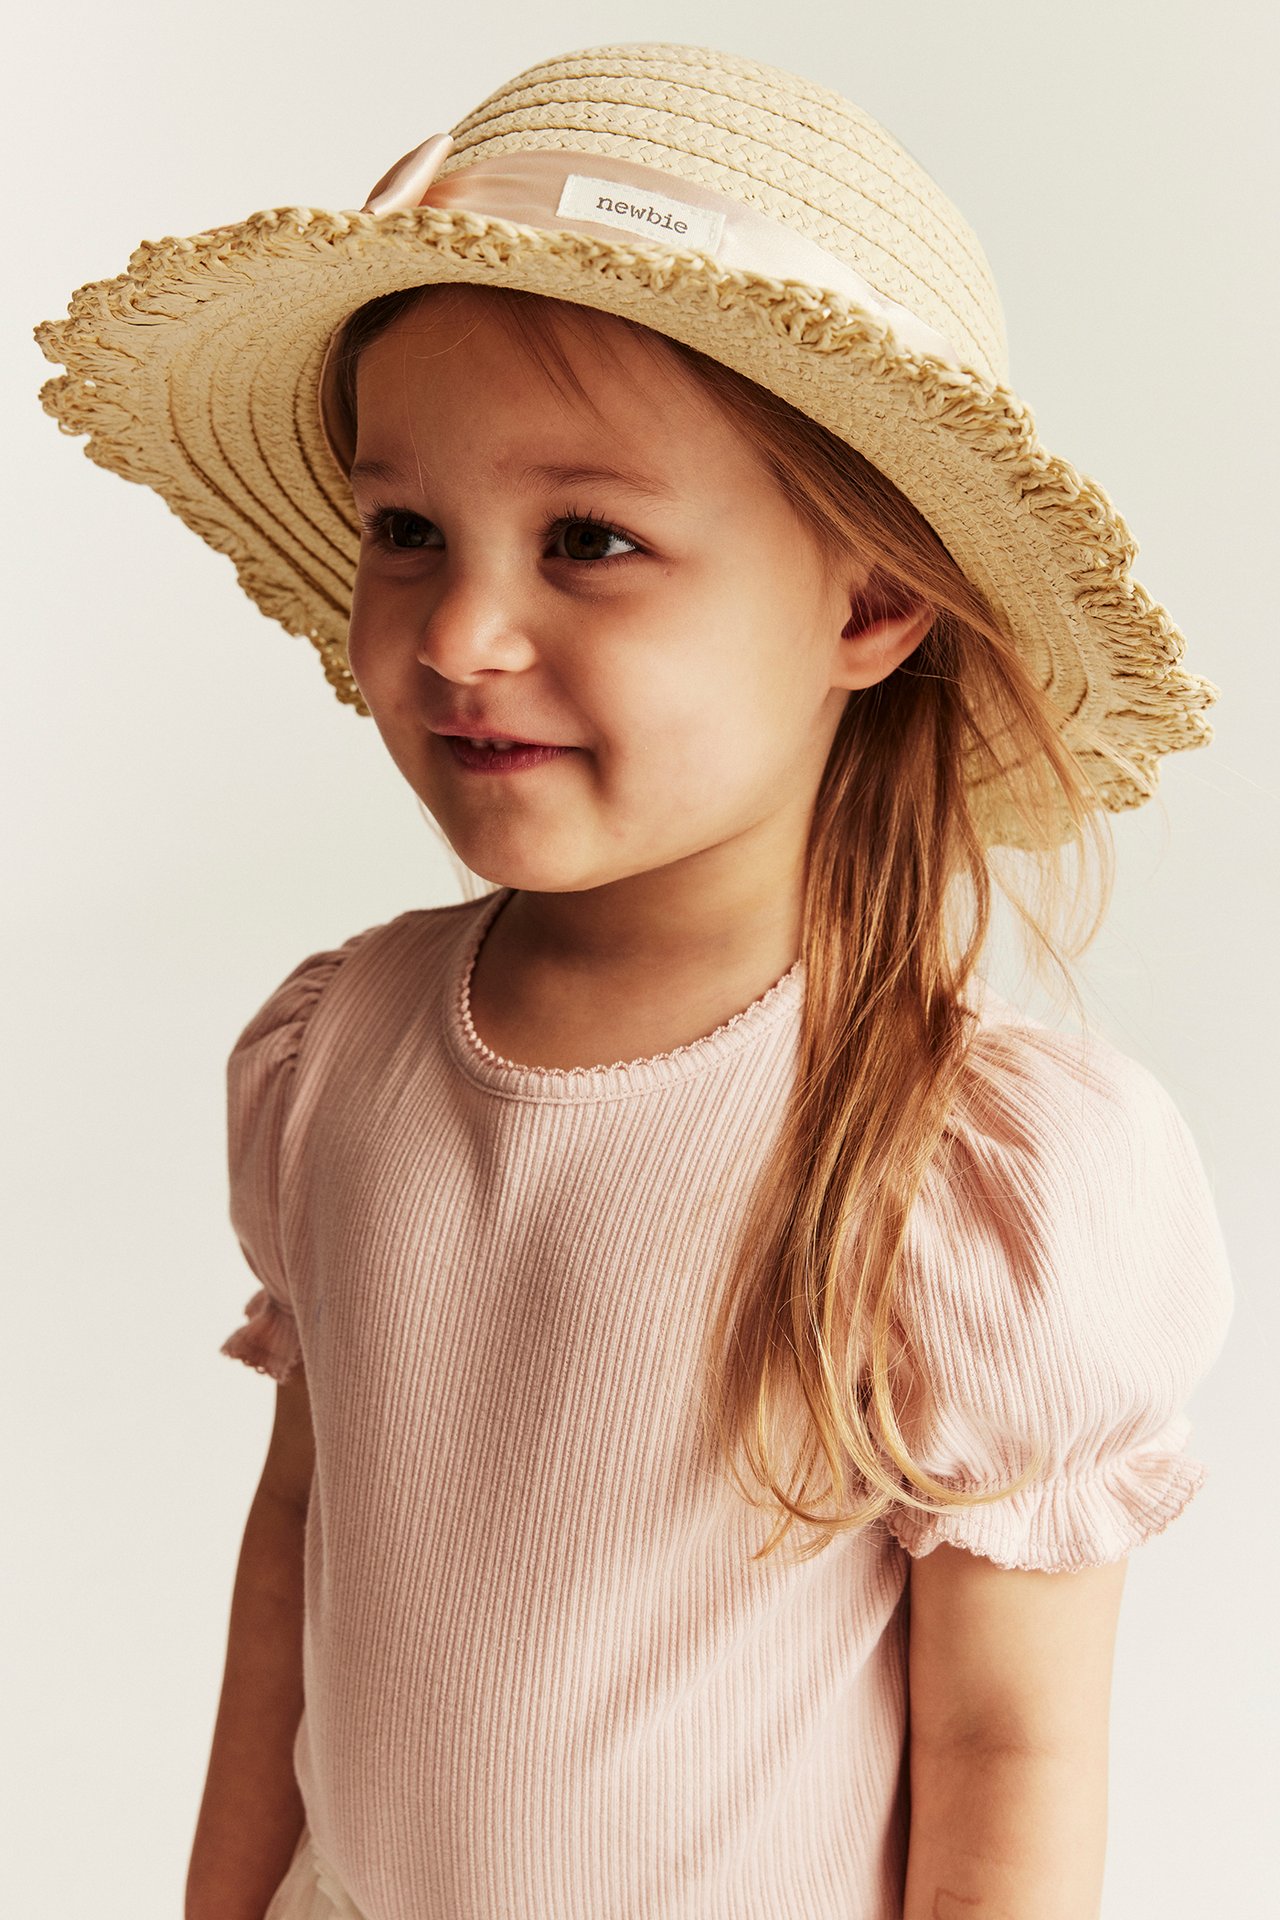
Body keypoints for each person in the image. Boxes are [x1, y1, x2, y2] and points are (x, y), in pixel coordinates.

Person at [34, 40, 1234, 1920]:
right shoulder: (338, 1053)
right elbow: (298, 1550)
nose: (462, 630)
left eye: (588, 541)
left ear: (869, 604)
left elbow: (1010, 1758)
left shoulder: (958, 1170)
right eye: (407, 530)